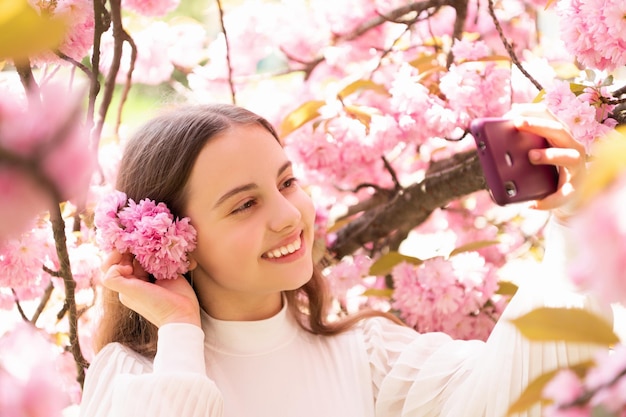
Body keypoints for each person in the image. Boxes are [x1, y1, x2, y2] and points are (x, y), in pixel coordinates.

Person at [79, 103, 605, 417]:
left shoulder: (370, 356)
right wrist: (177, 331)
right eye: (244, 204)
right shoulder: (135, 380)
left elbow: (513, 389)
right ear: (170, 243)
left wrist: (577, 221)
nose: (288, 216)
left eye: (287, 182)